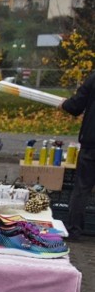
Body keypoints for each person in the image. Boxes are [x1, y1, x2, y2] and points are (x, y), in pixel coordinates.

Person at [59, 70, 95, 241]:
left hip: (91, 142)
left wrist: (64, 104)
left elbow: (76, 105)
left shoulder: (94, 78)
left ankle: (74, 229)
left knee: (82, 188)